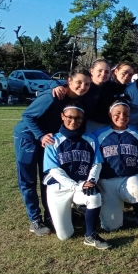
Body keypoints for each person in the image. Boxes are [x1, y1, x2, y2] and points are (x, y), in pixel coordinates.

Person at [14, 68, 92, 236]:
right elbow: (27, 116)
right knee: (28, 181)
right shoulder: (54, 95)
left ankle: (50, 215)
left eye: (86, 84)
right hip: (28, 137)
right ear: (69, 81)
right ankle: (35, 220)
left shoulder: (79, 99)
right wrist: (40, 136)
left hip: (48, 139)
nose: (83, 86)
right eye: (78, 82)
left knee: (48, 178)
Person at [42, 104, 111, 249]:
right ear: (62, 116)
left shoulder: (90, 139)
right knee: (65, 236)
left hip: (81, 184)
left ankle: (90, 235)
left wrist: (91, 181)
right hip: (58, 188)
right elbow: (55, 171)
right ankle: (77, 212)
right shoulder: (53, 140)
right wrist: (76, 186)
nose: (74, 121)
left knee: (93, 195)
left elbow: (96, 164)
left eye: (78, 118)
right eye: (70, 117)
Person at [96, 101, 138, 245]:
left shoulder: (137, 135)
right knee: (111, 226)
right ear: (110, 115)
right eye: (117, 113)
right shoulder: (99, 135)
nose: (122, 116)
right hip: (106, 181)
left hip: (129, 177)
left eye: (126, 114)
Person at [51, 59, 112, 134]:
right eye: (100, 70)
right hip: (64, 123)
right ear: (92, 71)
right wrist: (56, 86)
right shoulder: (82, 83)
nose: (103, 74)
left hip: (84, 124)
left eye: (107, 72)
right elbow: (62, 82)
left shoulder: (108, 86)